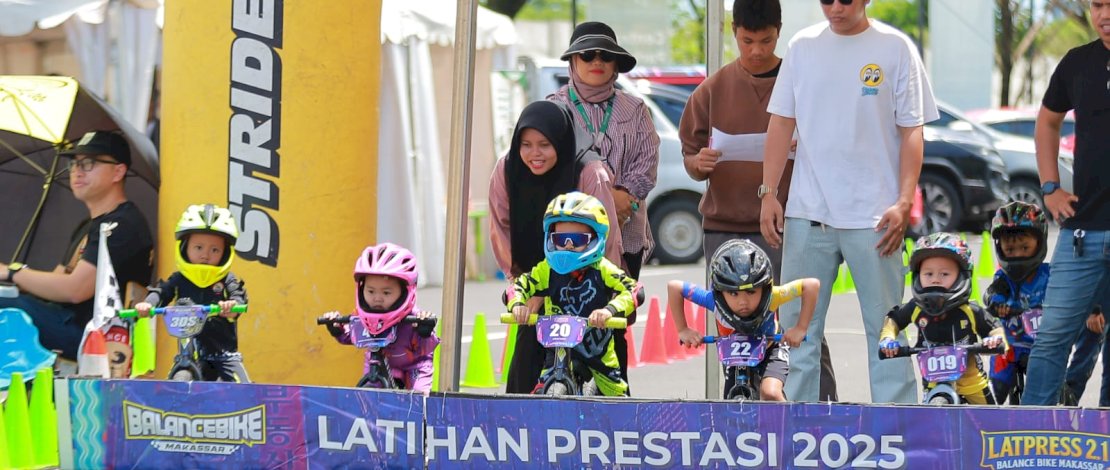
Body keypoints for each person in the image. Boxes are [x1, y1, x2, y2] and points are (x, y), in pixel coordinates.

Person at [759, 0, 937, 403]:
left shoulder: (896, 47)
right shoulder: (803, 46)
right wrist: (769, 192)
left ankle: (899, 437)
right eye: (826, 0)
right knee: (796, 332)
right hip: (807, 212)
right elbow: (781, 121)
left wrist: (904, 200)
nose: (836, 7)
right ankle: (796, 439)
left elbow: (912, 130)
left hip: (876, 217)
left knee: (886, 332)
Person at [679, 0, 838, 401]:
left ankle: (821, 409)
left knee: (797, 327)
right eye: (747, 40)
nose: (755, 50)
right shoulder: (712, 89)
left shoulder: (799, 77)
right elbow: (689, 156)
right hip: (724, 226)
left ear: (779, 32)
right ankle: (738, 408)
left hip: (788, 224)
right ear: (734, 32)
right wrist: (698, 163)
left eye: (765, 41)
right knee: (735, 330)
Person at [549, 20, 660, 383]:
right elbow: (544, 166)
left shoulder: (635, 109)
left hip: (624, 235)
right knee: (561, 327)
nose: (596, 60)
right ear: (572, 62)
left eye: (604, 55)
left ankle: (615, 403)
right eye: (586, 54)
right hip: (566, 238)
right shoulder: (554, 108)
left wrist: (620, 198)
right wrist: (598, 201)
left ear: (615, 64)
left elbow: (646, 164)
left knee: (613, 325)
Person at [489, 100, 623, 394]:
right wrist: (525, 291)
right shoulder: (508, 168)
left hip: (588, 289)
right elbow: (501, 228)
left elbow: (607, 239)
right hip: (535, 285)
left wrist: (605, 295)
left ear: (560, 143)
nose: (534, 154)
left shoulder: (588, 172)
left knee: (605, 379)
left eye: (544, 145)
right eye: (526, 144)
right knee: (524, 380)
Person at [1022, 0, 1110, 406]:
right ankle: (1024, 442)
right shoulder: (1078, 62)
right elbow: (1048, 121)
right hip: (1083, 230)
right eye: (1097, 5)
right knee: (1053, 335)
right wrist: (1050, 186)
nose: (1104, 15)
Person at [0, 130, 153, 361]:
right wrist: (13, 280)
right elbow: (57, 282)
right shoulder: (89, 225)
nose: (77, 172)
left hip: (94, 335)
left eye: (89, 163)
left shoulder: (122, 225)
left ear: (118, 171)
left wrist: (13, 273)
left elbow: (75, 290)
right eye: (74, 164)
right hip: (64, 321)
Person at [506, 192, 637, 396]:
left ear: (595, 238)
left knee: (618, 408)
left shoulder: (603, 269)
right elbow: (517, 286)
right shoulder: (547, 269)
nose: (568, 245)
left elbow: (634, 290)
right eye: (560, 239)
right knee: (540, 395)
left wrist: (610, 310)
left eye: (577, 239)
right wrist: (517, 305)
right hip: (556, 358)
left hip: (598, 360)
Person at [668, 239, 817, 401]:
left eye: (752, 292)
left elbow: (811, 285)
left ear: (765, 288)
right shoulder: (713, 300)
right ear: (720, 292)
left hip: (771, 347)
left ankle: (786, 424)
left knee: (770, 393)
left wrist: (800, 328)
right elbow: (674, 287)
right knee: (730, 402)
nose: (743, 302)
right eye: (733, 293)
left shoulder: (773, 296)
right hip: (735, 354)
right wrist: (683, 329)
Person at [879, 233, 1006, 404]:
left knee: (991, 421)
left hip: (971, 382)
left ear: (962, 276)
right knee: (926, 420)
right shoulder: (916, 309)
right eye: (928, 274)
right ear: (918, 276)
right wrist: (887, 339)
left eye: (944, 274)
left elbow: (994, 326)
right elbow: (893, 319)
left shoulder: (969, 310)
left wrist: (995, 339)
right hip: (933, 382)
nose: (935, 280)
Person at [135, 204, 249, 383]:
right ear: (184, 248)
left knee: (241, 384)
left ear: (225, 253)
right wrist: (148, 304)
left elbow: (238, 298)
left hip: (223, 354)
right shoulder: (179, 279)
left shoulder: (228, 280)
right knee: (176, 380)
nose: (205, 255)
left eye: (214, 250)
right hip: (189, 350)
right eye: (198, 248)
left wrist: (231, 307)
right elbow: (162, 292)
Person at [321, 243, 439, 392]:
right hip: (376, 362)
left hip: (414, 366)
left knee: (417, 401)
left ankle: (420, 412)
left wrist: (425, 332)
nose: (377, 298)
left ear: (405, 291)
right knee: (368, 398)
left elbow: (427, 347)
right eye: (371, 291)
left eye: (386, 293)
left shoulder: (414, 318)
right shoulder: (363, 315)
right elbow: (352, 336)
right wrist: (336, 328)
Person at [981, 202, 1050, 404]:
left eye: (1025, 247)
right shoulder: (1003, 278)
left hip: (1044, 346)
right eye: (1010, 249)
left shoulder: (1049, 274)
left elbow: (1069, 292)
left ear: (1040, 242)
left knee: (1051, 385)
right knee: (997, 390)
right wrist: (996, 305)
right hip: (1010, 346)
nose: (1018, 254)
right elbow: (992, 294)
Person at [1062, 305, 1110, 407]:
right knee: (1082, 366)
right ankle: (1064, 408)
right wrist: (1094, 310)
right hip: (1100, 307)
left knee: (1083, 364)